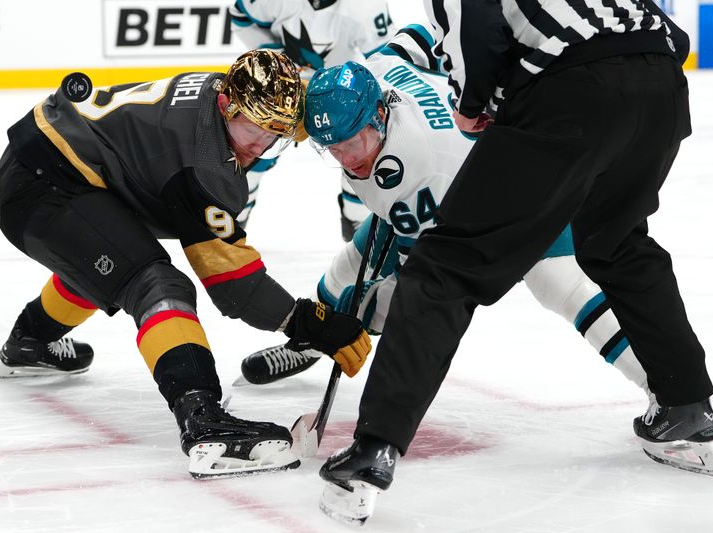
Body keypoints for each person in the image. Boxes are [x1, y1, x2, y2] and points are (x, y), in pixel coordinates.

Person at [313, 0, 713, 523]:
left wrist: (472, 103)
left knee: (443, 267)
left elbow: (475, 25)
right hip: (660, 83)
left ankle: (374, 449)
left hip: (570, 91)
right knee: (617, 243)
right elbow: (663, 31)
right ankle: (685, 404)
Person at [0, 49, 371, 478]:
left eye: (274, 136)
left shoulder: (232, 92)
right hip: (41, 187)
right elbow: (234, 285)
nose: (259, 148)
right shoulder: (204, 163)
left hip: (55, 161)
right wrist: (305, 321)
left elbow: (288, 109)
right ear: (226, 106)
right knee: (156, 283)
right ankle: (204, 421)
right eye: (253, 133)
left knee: (112, 256)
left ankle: (30, 342)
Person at [239, 28, 654, 423]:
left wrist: (365, 319)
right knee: (352, 260)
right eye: (333, 148)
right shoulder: (377, 70)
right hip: (481, 163)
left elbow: (421, 274)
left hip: (518, 187)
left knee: (559, 283)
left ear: (380, 115)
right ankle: (313, 341)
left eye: (354, 142)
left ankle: (663, 388)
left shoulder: (415, 171)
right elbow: (417, 37)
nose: (348, 159)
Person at [229, 0, 396, 239]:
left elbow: (387, 58)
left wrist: (357, 90)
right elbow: (240, 16)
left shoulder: (364, 7)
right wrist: (278, 63)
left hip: (343, 95)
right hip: (283, 87)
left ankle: (359, 221)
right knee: (253, 148)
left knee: (360, 149)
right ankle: (234, 214)